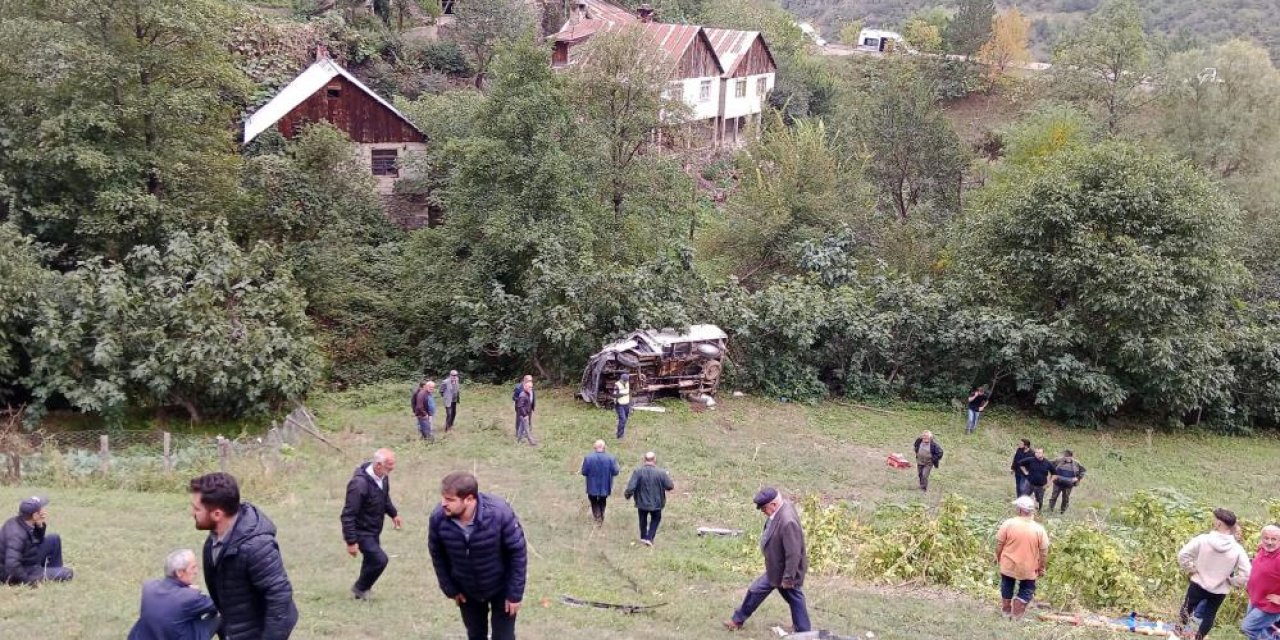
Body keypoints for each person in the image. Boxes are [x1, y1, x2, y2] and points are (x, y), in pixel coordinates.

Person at [189, 472, 298, 640]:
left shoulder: (257, 546)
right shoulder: (214, 540)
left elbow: (279, 597)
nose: (192, 513)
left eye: (196, 509)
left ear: (217, 514)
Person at [427, 472, 528, 640]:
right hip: (466, 589)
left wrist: (515, 594)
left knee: (504, 636)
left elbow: (517, 552)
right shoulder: (438, 518)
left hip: (501, 587)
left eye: (450, 500)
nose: (443, 504)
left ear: (469, 499)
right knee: (475, 635)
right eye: (443, 498)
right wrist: (450, 588)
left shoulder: (499, 513)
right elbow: (437, 554)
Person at [723, 488, 811, 633]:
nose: (763, 511)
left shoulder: (787, 521)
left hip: (786, 571)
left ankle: (804, 631)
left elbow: (794, 554)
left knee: (794, 598)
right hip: (776, 568)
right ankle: (737, 620)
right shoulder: (781, 509)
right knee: (756, 591)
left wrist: (788, 578)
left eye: (764, 508)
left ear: (774, 504)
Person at [1178, 508, 1252, 640]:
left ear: (1219, 524)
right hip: (1219, 589)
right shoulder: (1237, 549)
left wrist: (1191, 569)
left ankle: (1179, 634)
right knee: (1209, 615)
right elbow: (1246, 573)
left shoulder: (1203, 539)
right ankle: (1198, 638)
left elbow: (1183, 555)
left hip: (1198, 583)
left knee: (1186, 610)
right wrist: (1232, 581)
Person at [341, 448, 403, 600]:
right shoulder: (359, 484)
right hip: (361, 531)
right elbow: (347, 515)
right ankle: (360, 588)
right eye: (389, 466)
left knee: (370, 561)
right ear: (378, 465)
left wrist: (393, 514)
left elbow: (384, 498)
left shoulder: (383, 477)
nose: (391, 469)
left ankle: (362, 592)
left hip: (374, 529)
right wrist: (351, 541)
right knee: (380, 559)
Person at [128, 549, 220, 640]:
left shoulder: (149, 586)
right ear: (179, 572)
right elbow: (218, 605)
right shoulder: (189, 597)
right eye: (193, 567)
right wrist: (196, 592)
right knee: (223, 612)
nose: (196, 572)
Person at [995, 496, 1050, 619]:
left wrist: (998, 557)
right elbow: (1044, 552)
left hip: (1008, 563)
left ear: (1019, 509)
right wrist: (1042, 567)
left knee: (1007, 584)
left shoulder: (1008, 523)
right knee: (1027, 588)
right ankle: (1017, 612)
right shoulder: (1039, 529)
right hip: (1028, 567)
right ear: (1031, 512)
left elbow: (999, 543)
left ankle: (1006, 610)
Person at [0, 496, 73, 585]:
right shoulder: (16, 535)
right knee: (67, 573)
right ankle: (50, 573)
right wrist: (28, 581)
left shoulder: (22, 521)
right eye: (41, 510)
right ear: (34, 515)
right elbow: (11, 565)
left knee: (54, 539)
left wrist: (39, 526)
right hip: (23, 569)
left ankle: (52, 571)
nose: (44, 512)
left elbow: (37, 540)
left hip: (26, 557)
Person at [624, 451, 674, 546]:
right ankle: (650, 538)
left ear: (644, 459)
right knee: (655, 519)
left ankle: (643, 537)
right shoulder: (661, 473)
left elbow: (631, 487)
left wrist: (627, 495)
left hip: (641, 502)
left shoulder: (638, 472)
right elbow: (670, 486)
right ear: (655, 460)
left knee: (642, 520)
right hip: (657, 502)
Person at [1241, 525, 1280, 640]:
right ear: (1261, 538)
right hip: (1255, 598)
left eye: (1274, 539)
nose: (1269, 542)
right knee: (1255, 630)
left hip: (1269, 605)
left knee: (1248, 628)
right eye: (1266, 538)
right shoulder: (1261, 549)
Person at [580, 440, 620, 525]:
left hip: (592, 484)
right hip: (605, 484)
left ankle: (598, 517)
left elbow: (584, 472)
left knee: (593, 500)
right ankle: (601, 516)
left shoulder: (588, 458)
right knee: (603, 500)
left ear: (594, 447)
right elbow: (616, 471)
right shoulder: (611, 458)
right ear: (604, 447)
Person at [1048, 450, 1086, 514]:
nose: (1067, 458)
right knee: (1054, 497)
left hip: (1069, 484)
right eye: (1065, 457)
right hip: (1057, 482)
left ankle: (1062, 512)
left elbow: (1083, 471)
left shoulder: (1076, 463)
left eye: (1068, 457)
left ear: (1071, 457)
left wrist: (1077, 478)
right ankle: (1050, 510)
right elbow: (1049, 464)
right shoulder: (1058, 460)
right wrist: (1053, 474)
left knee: (1065, 499)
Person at [515, 379, 537, 446]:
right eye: (529, 387)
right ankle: (532, 443)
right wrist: (525, 415)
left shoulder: (527, 393)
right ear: (525, 387)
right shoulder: (523, 395)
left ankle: (518, 441)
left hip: (524, 414)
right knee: (527, 429)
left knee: (521, 428)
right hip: (523, 415)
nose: (531, 388)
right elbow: (520, 406)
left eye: (531, 387)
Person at [613, 373, 632, 439]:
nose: (626, 381)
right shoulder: (617, 385)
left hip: (626, 404)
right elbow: (614, 395)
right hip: (620, 405)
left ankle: (621, 432)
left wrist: (630, 404)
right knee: (623, 419)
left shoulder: (627, 383)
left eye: (627, 380)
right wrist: (622, 394)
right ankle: (620, 436)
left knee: (625, 420)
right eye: (624, 380)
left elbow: (629, 393)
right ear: (621, 379)